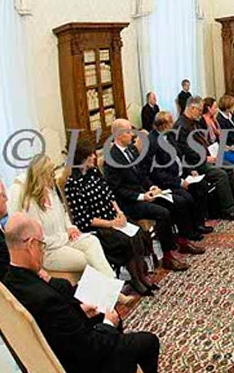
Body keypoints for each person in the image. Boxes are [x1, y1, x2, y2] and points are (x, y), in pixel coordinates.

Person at [1, 212, 166, 373]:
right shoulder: (43, 299)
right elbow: (89, 348)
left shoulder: (11, 280)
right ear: (31, 244)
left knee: (105, 319)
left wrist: (80, 312)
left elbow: (60, 322)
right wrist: (107, 323)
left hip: (59, 360)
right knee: (148, 341)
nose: (43, 253)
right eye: (42, 245)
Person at [64, 140, 159, 296]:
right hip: (98, 226)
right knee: (125, 240)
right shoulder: (72, 184)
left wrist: (119, 212)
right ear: (81, 158)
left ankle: (142, 275)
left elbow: (109, 195)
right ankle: (135, 279)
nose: (94, 157)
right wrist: (110, 223)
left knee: (139, 232)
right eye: (90, 155)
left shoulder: (94, 172)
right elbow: (84, 218)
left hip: (113, 217)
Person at [104, 119, 192, 271]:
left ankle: (182, 241)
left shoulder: (131, 150)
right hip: (130, 203)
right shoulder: (111, 159)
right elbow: (117, 190)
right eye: (128, 132)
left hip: (144, 193)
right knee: (163, 213)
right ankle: (167, 257)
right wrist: (141, 196)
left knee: (177, 202)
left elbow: (141, 175)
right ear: (118, 135)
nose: (132, 135)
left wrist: (151, 186)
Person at [19, 154, 116, 279]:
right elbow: (42, 240)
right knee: (89, 260)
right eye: (51, 173)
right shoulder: (30, 205)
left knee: (93, 242)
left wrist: (70, 227)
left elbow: (64, 214)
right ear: (42, 175)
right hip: (51, 251)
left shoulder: (50, 192)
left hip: (66, 240)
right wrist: (66, 235)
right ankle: (115, 293)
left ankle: (113, 290)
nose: (54, 176)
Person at [173, 97, 234, 216]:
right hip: (194, 164)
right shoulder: (181, 126)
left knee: (232, 166)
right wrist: (205, 158)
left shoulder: (193, 122)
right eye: (199, 110)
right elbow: (186, 151)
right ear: (192, 108)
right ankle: (228, 210)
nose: (201, 113)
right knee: (220, 174)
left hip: (205, 157)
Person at [146, 111, 216, 238]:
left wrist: (190, 170)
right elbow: (157, 173)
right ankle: (188, 232)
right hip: (167, 182)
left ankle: (198, 223)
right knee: (186, 198)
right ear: (165, 125)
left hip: (181, 175)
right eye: (171, 122)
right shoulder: (153, 143)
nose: (173, 124)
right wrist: (179, 182)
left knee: (202, 186)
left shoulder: (170, 136)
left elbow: (180, 156)